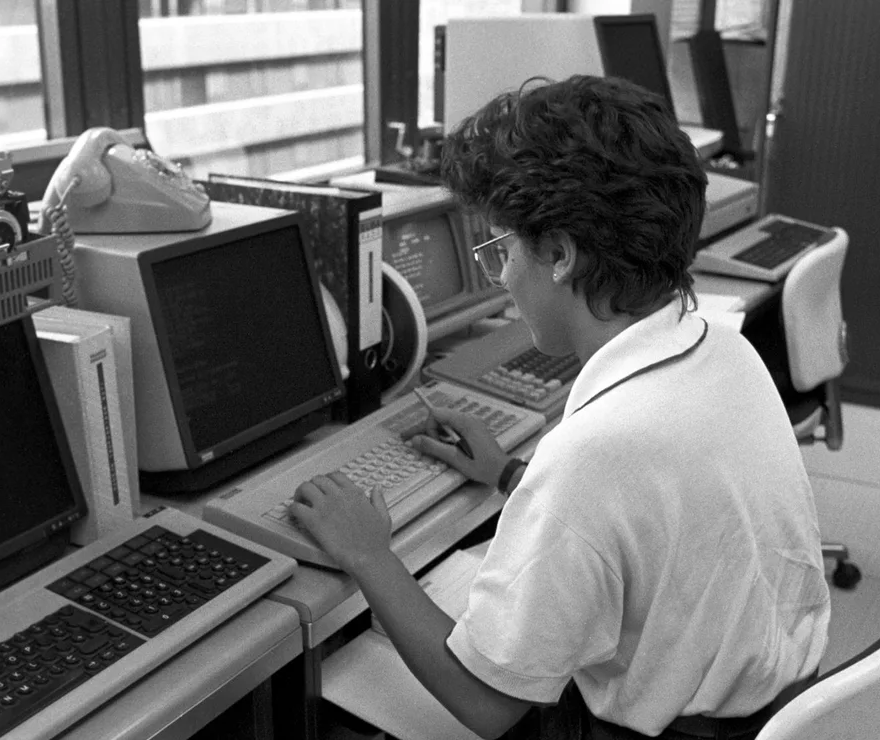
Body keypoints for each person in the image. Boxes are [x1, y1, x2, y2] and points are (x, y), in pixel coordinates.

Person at [289, 74, 830, 740]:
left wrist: (369, 554)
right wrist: (509, 476)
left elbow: (488, 705)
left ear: (561, 255)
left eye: (502, 248)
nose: (502, 276)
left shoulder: (596, 452)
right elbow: (652, 521)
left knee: (336, 688)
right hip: (759, 705)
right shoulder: (724, 352)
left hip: (653, 732)